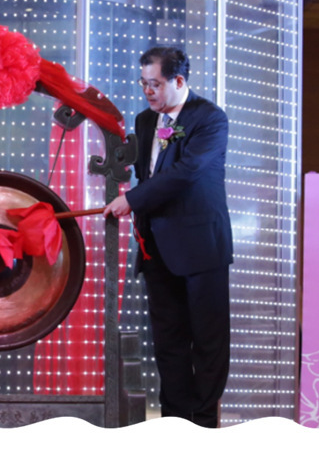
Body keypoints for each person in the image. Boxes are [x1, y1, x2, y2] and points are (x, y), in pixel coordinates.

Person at [102, 46, 232, 427]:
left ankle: (203, 424)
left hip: (201, 247)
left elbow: (186, 173)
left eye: (155, 84)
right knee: (168, 342)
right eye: (143, 83)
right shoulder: (145, 121)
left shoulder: (209, 118)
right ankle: (174, 423)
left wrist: (133, 200)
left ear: (178, 80)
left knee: (208, 342)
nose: (148, 91)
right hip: (157, 248)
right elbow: (149, 174)